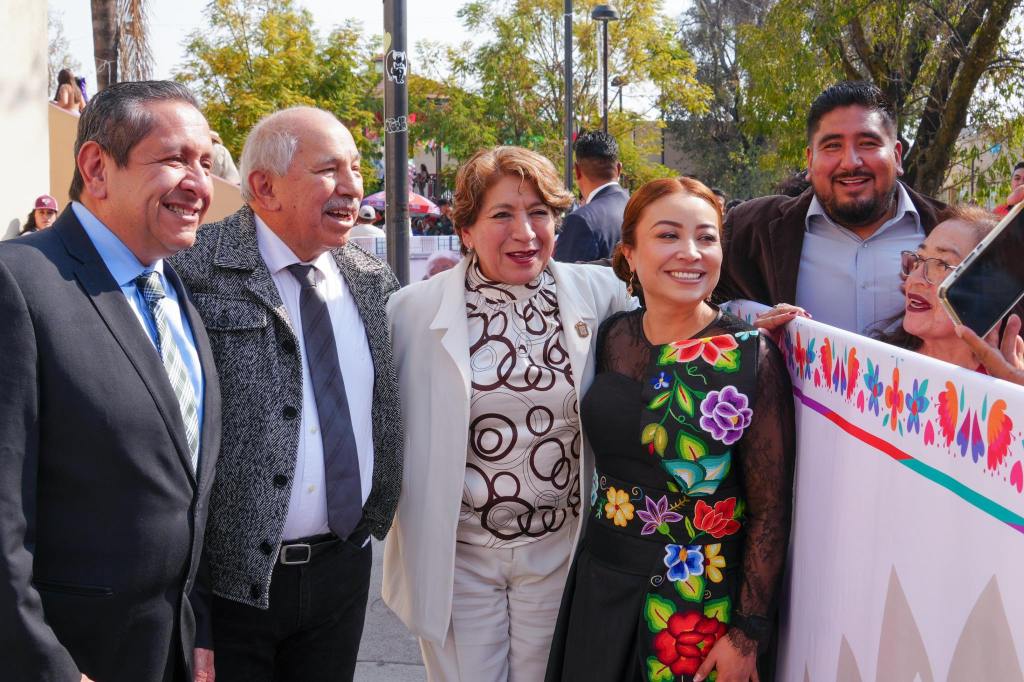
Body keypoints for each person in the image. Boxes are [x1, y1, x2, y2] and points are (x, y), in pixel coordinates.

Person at [383, 145, 635, 681]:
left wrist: (746, 323)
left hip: (557, 550)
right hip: (460, 556)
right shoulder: (411, 312)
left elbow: (672, 331)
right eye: (502, 214)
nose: (525, 232)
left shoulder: (603, 293)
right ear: (467, 230)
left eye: (539, 213)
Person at [169, 106, 402, 681]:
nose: (353, 187)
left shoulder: (373, 281)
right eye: (329, 170)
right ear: (264, 187)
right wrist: (191, 603)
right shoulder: (190, 271)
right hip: (229, 593)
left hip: (341, 572)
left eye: (354, 167)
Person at [0, 80, 221, 681]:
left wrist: (196, 627)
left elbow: (182, 488)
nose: (199, 184)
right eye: (176, 158)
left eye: (206, 162)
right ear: (96, 166)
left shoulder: (173, 291)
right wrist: (49, 669)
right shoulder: (17, 282)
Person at [546, 177, 795, 682]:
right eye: (667, 235)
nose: (691, 252)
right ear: (629, 255)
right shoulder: (613, 334)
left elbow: (770, 509)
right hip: (601, 582)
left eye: (706, 237)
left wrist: (747, 634)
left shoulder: (751, 356)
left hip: (695, 602)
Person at [716, 81, 947, 335]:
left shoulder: (950, 231)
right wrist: (753, 341)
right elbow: (692, 315)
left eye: (868, 143)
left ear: (896, 156)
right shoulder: (749, 231)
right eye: (832, 146)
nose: (850, 162)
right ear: (810, 159)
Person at [876, 205, 1024, 371]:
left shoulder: (1008, 384)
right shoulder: (875, 364)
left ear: (988, 289)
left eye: (942, 264)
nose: (914, 279)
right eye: (918, 260)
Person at [553, 130, 630, 263]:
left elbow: (564, 280)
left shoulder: (580, 220)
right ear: (618, 168)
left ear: (577, 171)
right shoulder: (638, 207)